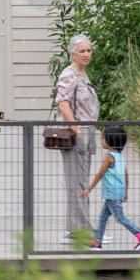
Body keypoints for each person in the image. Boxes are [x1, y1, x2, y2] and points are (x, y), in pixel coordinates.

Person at [54, 34, 100, 245]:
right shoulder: (69, 74)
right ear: (72, 53)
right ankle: (80, 233)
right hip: (77, 134)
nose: (86, 54)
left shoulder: (83, 74)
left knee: (83, 181)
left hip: (87, 131)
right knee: (77, 183)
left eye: (89, 50)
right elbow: (63, 103)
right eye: (82, 51)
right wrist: (75, 127)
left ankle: (81, 228)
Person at [81, 125, 140, 251]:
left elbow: (100, 174)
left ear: (110, 141)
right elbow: (125, 174)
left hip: (112, 193)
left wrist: (89, 188)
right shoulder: (120, 156)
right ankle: (97, 242)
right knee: (102, 217)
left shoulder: (109, 156)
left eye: (103, 139)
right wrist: (125, 192)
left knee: (119, 218)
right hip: (116, 193)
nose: (101, 141)